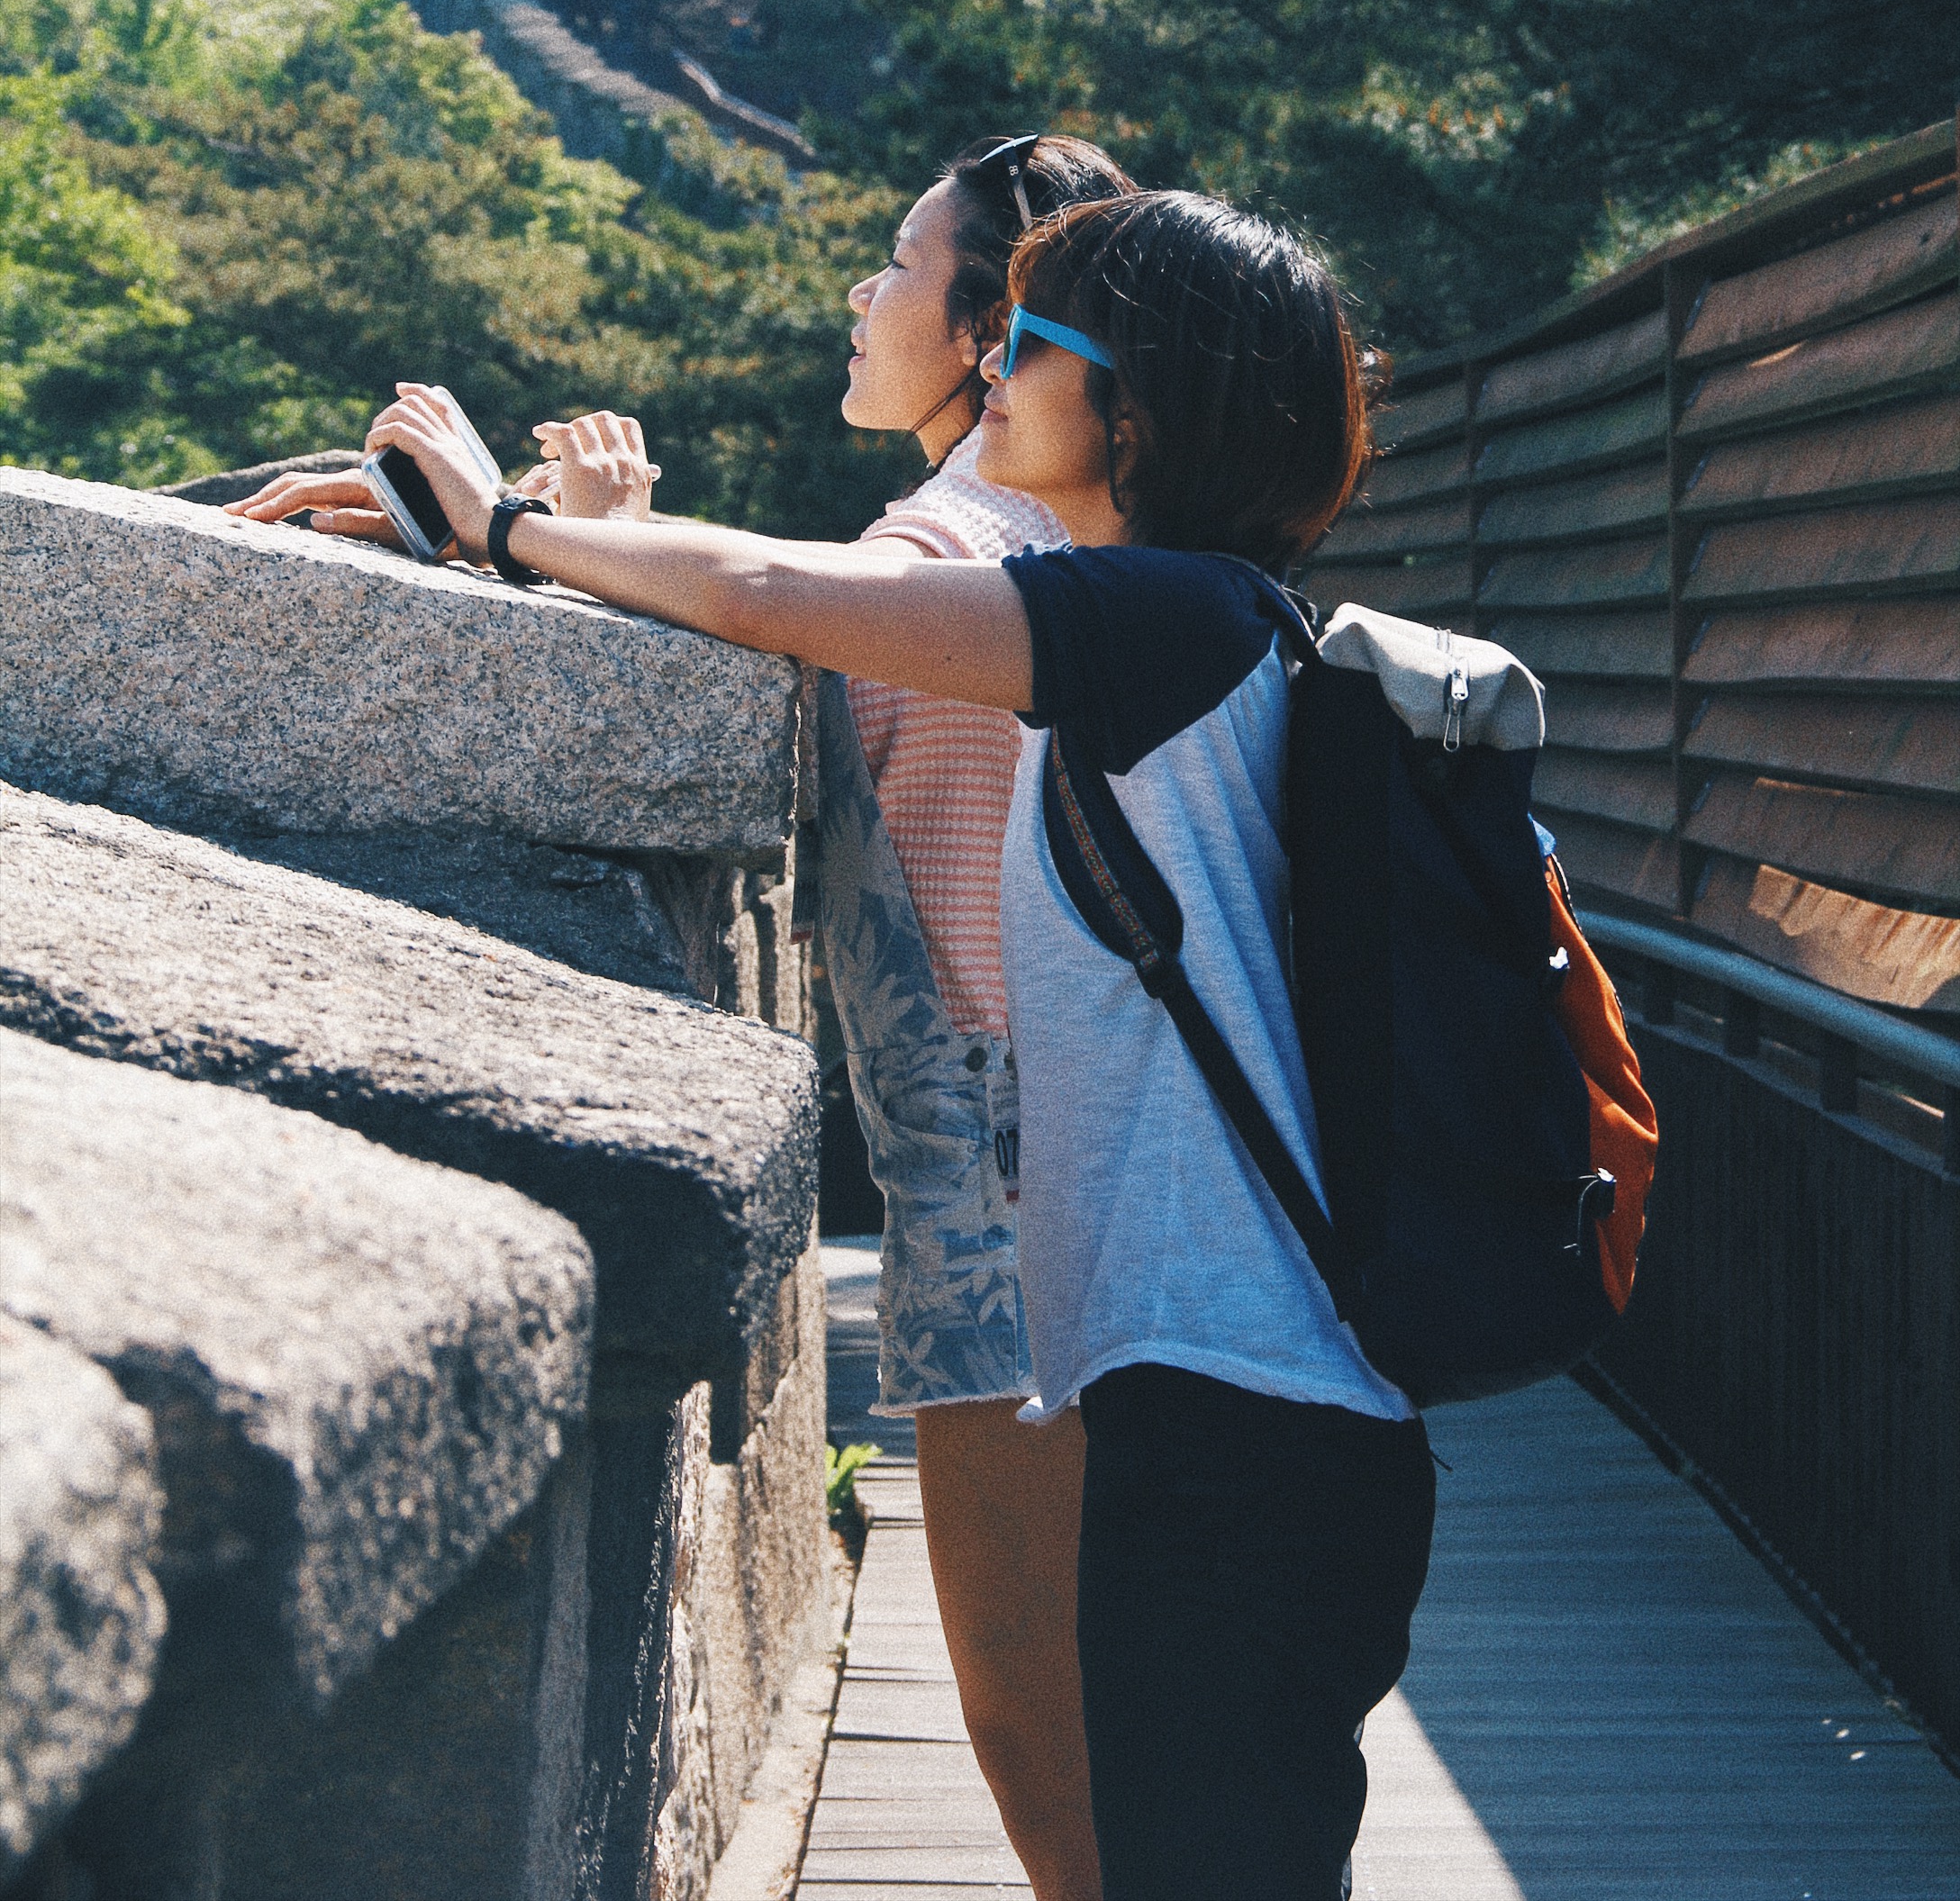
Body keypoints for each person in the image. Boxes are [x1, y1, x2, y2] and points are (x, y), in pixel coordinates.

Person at [323, 189, 1438, 1901]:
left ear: (1132, 410)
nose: (1002, 363)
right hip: (1240, 1407)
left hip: (1242, 1421)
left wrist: (511, 522)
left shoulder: (1147, 621)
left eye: (1043, 345)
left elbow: (775, 589)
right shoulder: (1205, 619)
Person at [231, 131, 1130, 1901]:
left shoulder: (963, 532)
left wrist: (509, 531)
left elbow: (765, 608)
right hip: (1065, 1157)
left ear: (985, 336)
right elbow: (770, 629)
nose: (863, 296)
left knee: (1045, 1737)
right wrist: (579, 551)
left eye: (897, 265)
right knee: (1110, 1725)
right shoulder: (1044, 530)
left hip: (1004, 1180)